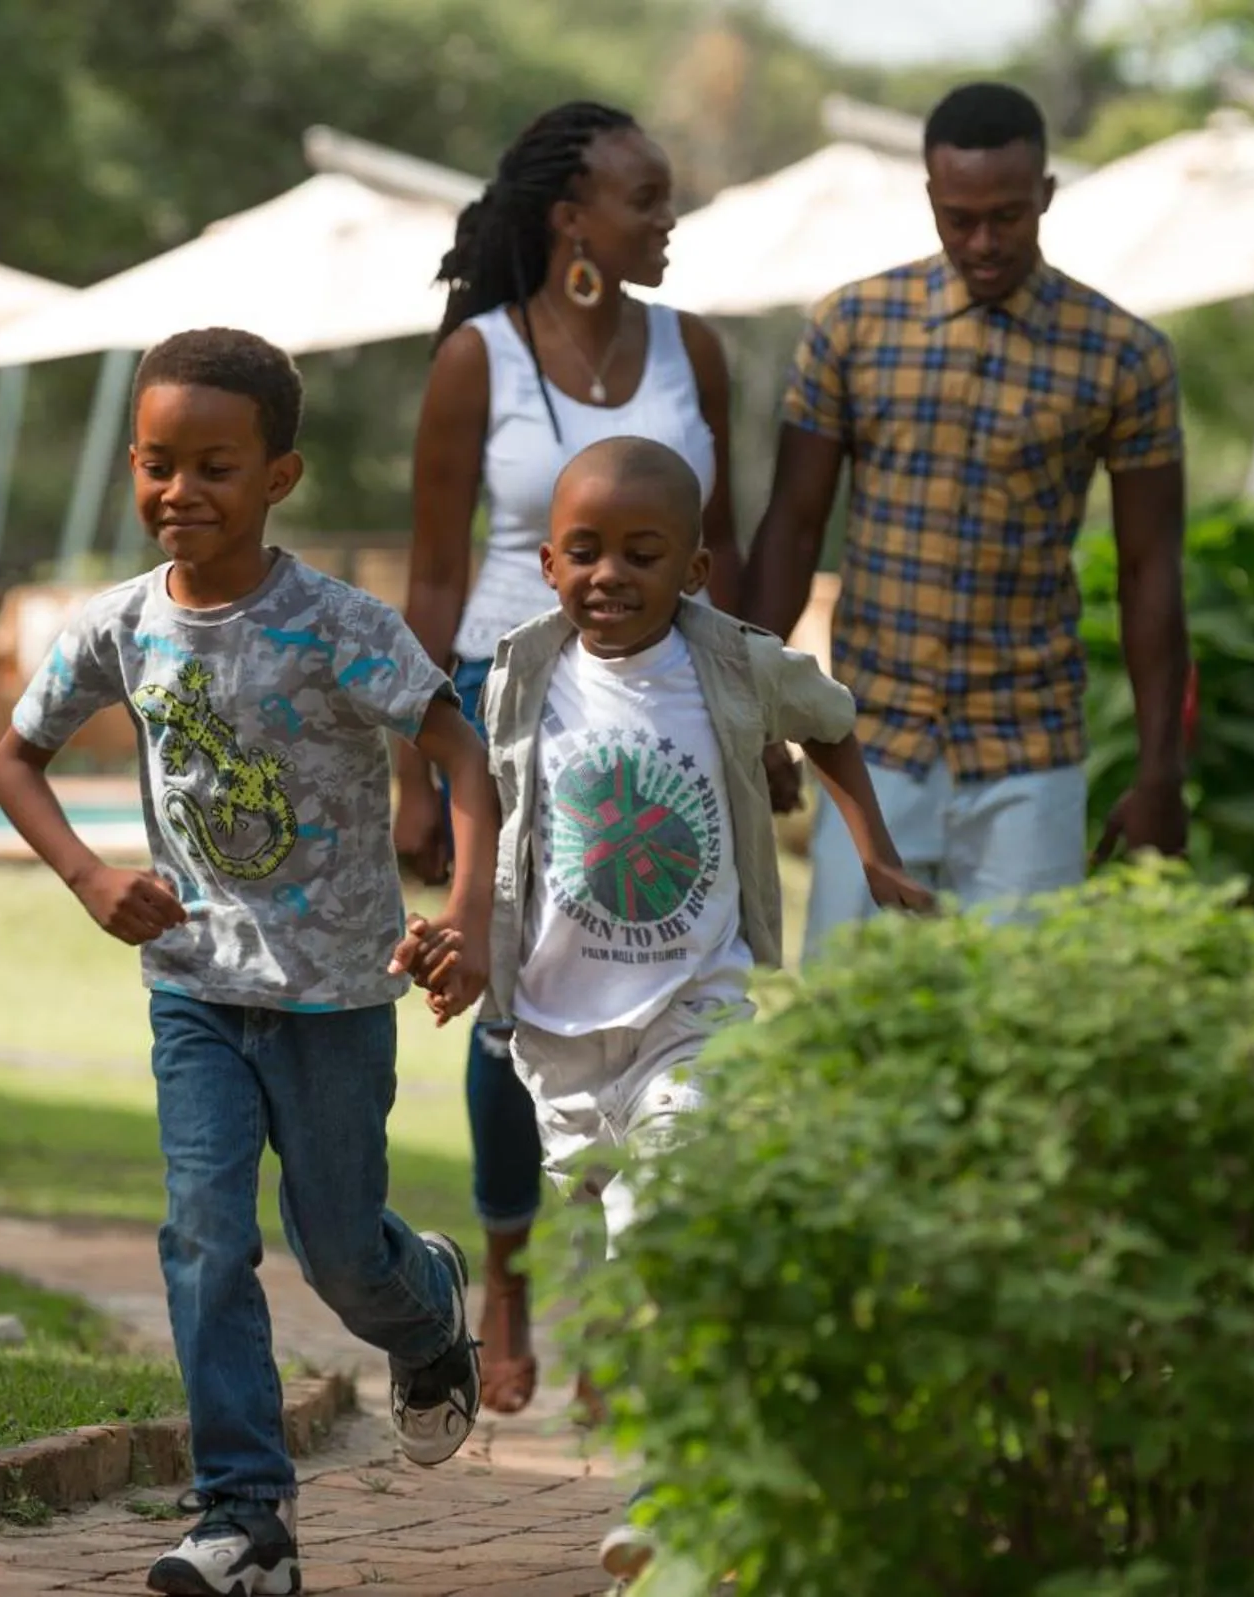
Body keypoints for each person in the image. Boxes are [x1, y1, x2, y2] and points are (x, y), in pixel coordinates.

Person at [0, 328, 495, 1597]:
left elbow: (463, 751)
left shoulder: (338, 626)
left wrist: (470, 917)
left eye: (215, 465)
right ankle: (245, 1516)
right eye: (158, 463)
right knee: (206, 1235)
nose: (180, 491)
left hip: (334, 998)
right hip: (197, 990)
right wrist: (93, 878)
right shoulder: (119, 627)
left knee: (336, 1249)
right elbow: (15, 759)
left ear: (281, 476)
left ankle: (425, 1301)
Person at [397, 435, 933, 1582]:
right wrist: (464, 934)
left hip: (696, 1011)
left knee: (666, 1228)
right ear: (546, 562)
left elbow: (831, 724)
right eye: (584, 551)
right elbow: (484, 810)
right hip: (559, 1030)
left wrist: (873, 852)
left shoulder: (736, 664)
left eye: (642, 554)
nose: (609, 575)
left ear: (693, 568)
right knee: (616, 1230)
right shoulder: (517, 674)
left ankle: (677, 1487)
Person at [393, 99, 741, 1415]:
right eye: (646, 199)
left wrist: (755, 722)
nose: (667, 221)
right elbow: (432, 571)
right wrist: (412, 774)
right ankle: (510, 1272)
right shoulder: (477, 361)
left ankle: (613, 1288)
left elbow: (737, 547)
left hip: (667, 708)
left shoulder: (694, 354)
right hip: (505, 703)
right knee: (515, 1001)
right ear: (570, 220)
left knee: (648, 991)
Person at [740, 81, 1190, 955]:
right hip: (871, 740)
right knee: (851, 1024)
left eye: (1009, 217)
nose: (983, 242)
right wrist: (753, 716)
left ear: (1047, 198)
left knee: (1024, 1031)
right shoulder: (853, 326)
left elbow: (1151, 569)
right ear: (930, 200)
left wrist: (1161, 764)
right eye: (960, 218)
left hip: (1029, 748)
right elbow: (793, 526)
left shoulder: (1125, 353)